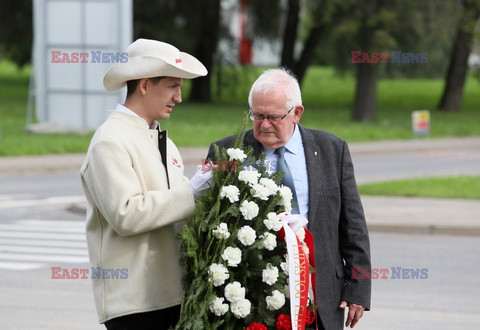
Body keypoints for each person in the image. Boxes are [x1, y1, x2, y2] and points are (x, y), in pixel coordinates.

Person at [206, 68, 371, 329]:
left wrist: (358, 289)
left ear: (296, 113)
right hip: (251, 298)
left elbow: (353, 225)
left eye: (273, 116)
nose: (264, 125)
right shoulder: (227, 152)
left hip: (319, 293)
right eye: (257, 115)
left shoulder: (331, 150)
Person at [80, 38, 211, 329]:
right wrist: (192, 191)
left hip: (171, 296)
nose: (178, 97)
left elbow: (175, 212)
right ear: (144, 85)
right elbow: (126, 215)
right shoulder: (109, 141)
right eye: (173, 86)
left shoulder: (164, 142)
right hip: (134, 304)